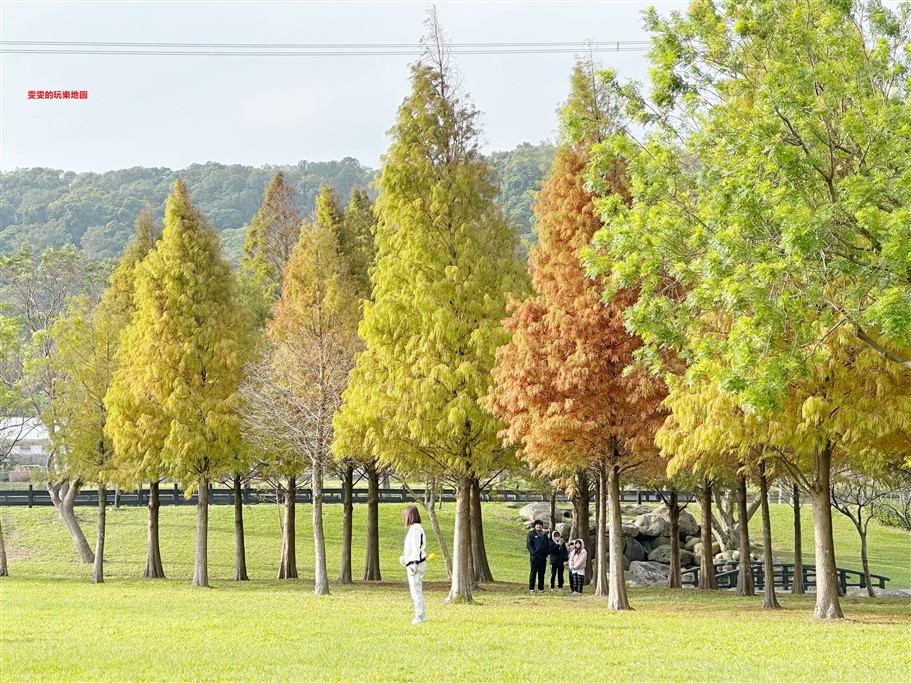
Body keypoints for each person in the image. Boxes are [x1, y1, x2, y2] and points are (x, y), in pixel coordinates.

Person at [399, 504, 427, 624]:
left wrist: (414, 563)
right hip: (412, 562)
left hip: (415, 564)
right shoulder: (416, 528)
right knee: (416, 590)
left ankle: (419, 616)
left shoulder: (415, 530)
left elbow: (416, 548)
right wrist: (405, 558)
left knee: (415, 591)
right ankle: (422, 615)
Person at [526, 519, 551, 593]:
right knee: (533, 573)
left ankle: (541, 588)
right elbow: (529, 544)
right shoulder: (531, 534)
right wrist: (533, 553)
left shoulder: (544, 535)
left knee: (541, 573)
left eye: (540, 524)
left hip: (543, 557)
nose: (539, 526)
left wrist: (546, 553)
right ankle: (531, 588)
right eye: (537, 524)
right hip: (534, 557)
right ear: (535, 525)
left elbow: (548, 545)